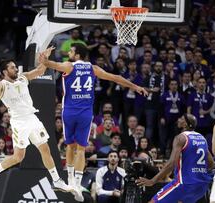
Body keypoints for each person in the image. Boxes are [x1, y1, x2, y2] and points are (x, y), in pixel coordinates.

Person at [39, 44, 147, 202]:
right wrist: (135, 86)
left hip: (69, 111)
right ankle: (76, 184)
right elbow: (116, 78)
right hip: (85, 113)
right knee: (81, 149)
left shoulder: (69, 66)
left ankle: (70, 180)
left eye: (71, 50)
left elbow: (47, 63)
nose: (69, 52)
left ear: (77, 55)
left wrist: (45, 55)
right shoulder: (93, 68)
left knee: (70, 145)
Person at [0, 48, 72, 193]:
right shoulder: (2, 85)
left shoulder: (23, 78)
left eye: (15, 66)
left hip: (32, 118)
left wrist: (45, 58)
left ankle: (57, 181)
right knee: (18, 157)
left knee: (45, 149)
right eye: (12, 67)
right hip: (19, 123)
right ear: (5, 72)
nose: (15, 69)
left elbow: (39, 71)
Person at [136, 114, 214, 203]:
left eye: (181, 118)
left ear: (185, 124)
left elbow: (172, 163)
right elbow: (211, 164)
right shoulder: (202, 138)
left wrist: (152, 181)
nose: (178, 119)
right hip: (202, 185)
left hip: (184, 184)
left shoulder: (180, 138)